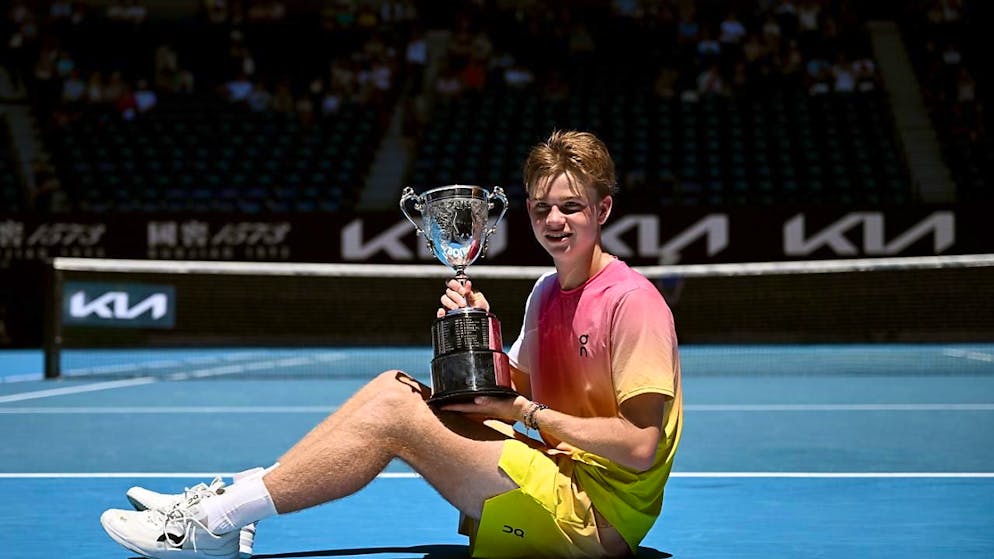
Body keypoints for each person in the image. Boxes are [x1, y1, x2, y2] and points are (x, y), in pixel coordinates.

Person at [100, 130, 683, 559]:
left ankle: (211, 523)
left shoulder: (632, 302)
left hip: (594, 522)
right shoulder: (546, 292)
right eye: (542, 207)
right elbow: (512, 388)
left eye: (571, 206)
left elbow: (638, 445)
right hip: (556, 479)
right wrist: (482, 336)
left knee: (392, 415)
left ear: (602, 210)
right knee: (393, 389)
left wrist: (521, 412)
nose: (555, 220)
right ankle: (236, 503)